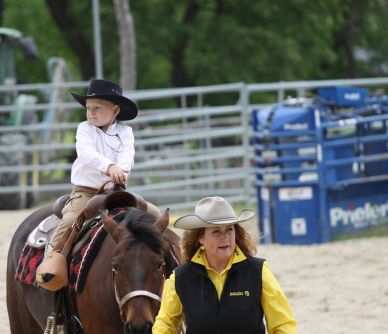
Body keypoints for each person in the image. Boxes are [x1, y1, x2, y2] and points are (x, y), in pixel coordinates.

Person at [36, 78, 158, 291]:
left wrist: (120, 169)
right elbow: (86, 154)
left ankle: (172, 259)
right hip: (86, 192)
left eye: (97, 108)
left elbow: (127, 155)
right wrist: (110, 166)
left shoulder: (125, 132)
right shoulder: (84, 129)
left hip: (117, 191)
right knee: (71, 219)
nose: (91, 113)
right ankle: (52, 260)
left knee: (155, 216)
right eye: (88, 108)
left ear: (115, 110)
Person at [152, 196, 297, 334]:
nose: (225, 237)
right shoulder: (180, 278)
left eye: (229, 229)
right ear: (200, 238)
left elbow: (282, 324)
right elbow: (166, 323)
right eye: (216, 231)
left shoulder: (258, 271)